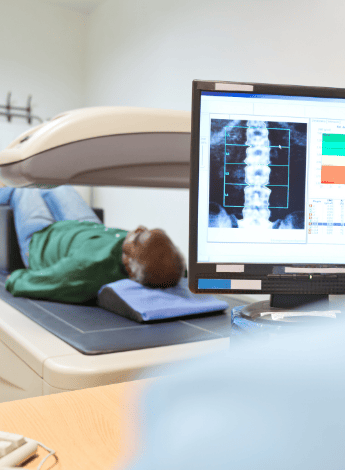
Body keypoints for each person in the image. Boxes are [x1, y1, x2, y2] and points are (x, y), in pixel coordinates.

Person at [1, 186, 185, 303]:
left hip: (44, 236)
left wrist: (15, 280)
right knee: (61, 186)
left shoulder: (86, 269)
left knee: (24, 189)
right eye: (146, 231)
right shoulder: (157, 258)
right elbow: (179, 270)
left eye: (138, 238)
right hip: (89, 227)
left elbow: (44, 282)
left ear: (129, 266)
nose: (139, 228)